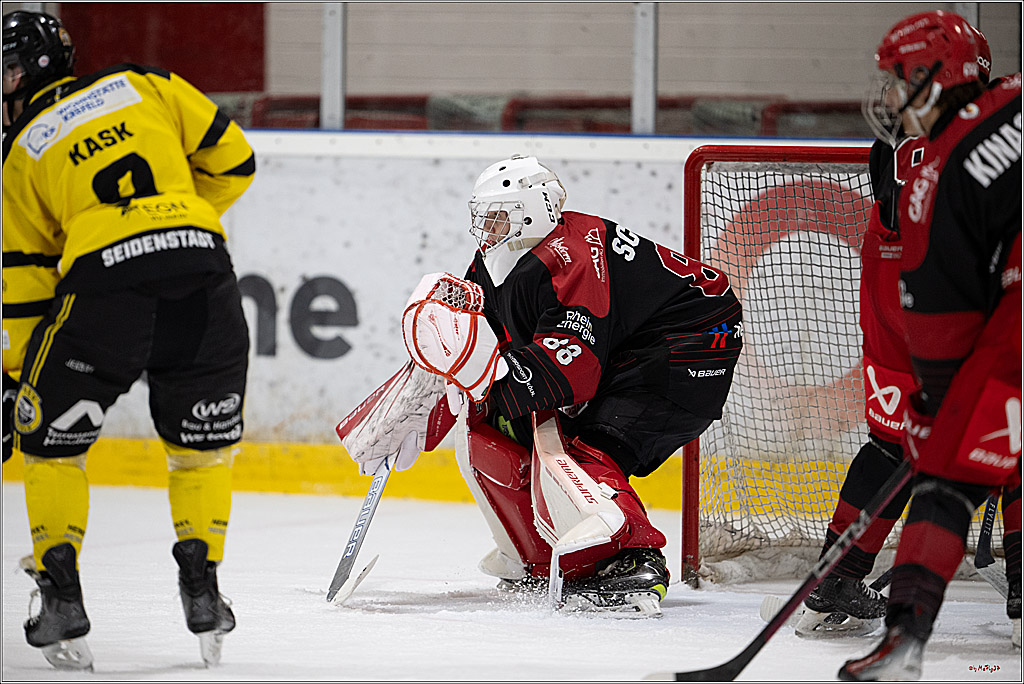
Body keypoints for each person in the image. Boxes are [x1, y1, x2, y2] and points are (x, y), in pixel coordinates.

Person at [347, 154, 743, 617]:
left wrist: (480, 383)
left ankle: (634, 560)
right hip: (633, 345)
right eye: (483, 217)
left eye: (498, 216)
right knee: (490, 426)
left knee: (581, 451)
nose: (486, 228)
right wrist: (426, 399)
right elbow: (478, 336)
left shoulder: (572, 259)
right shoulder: (501, 255)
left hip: (689, 345)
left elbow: (570, 372)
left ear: (533, 211)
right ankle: (532, 551)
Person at [2, 11, 255, 670]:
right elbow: (235, 160)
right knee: (201, 451)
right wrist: (172, 221)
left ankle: (60, 597)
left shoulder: (21, 147)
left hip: (103, 292)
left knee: (50, 447)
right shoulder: (146, 82)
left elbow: (24, 282)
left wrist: (15, 377)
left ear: (28, 71)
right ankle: (203, 591)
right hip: (203, 270)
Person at [796, 20, 1020, 640]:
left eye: (901, 76)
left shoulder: (901, 135)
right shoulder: (1000, 119)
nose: (892, 92)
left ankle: (837, 578)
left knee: (893, 441)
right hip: (953, 289)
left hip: (892, 290)